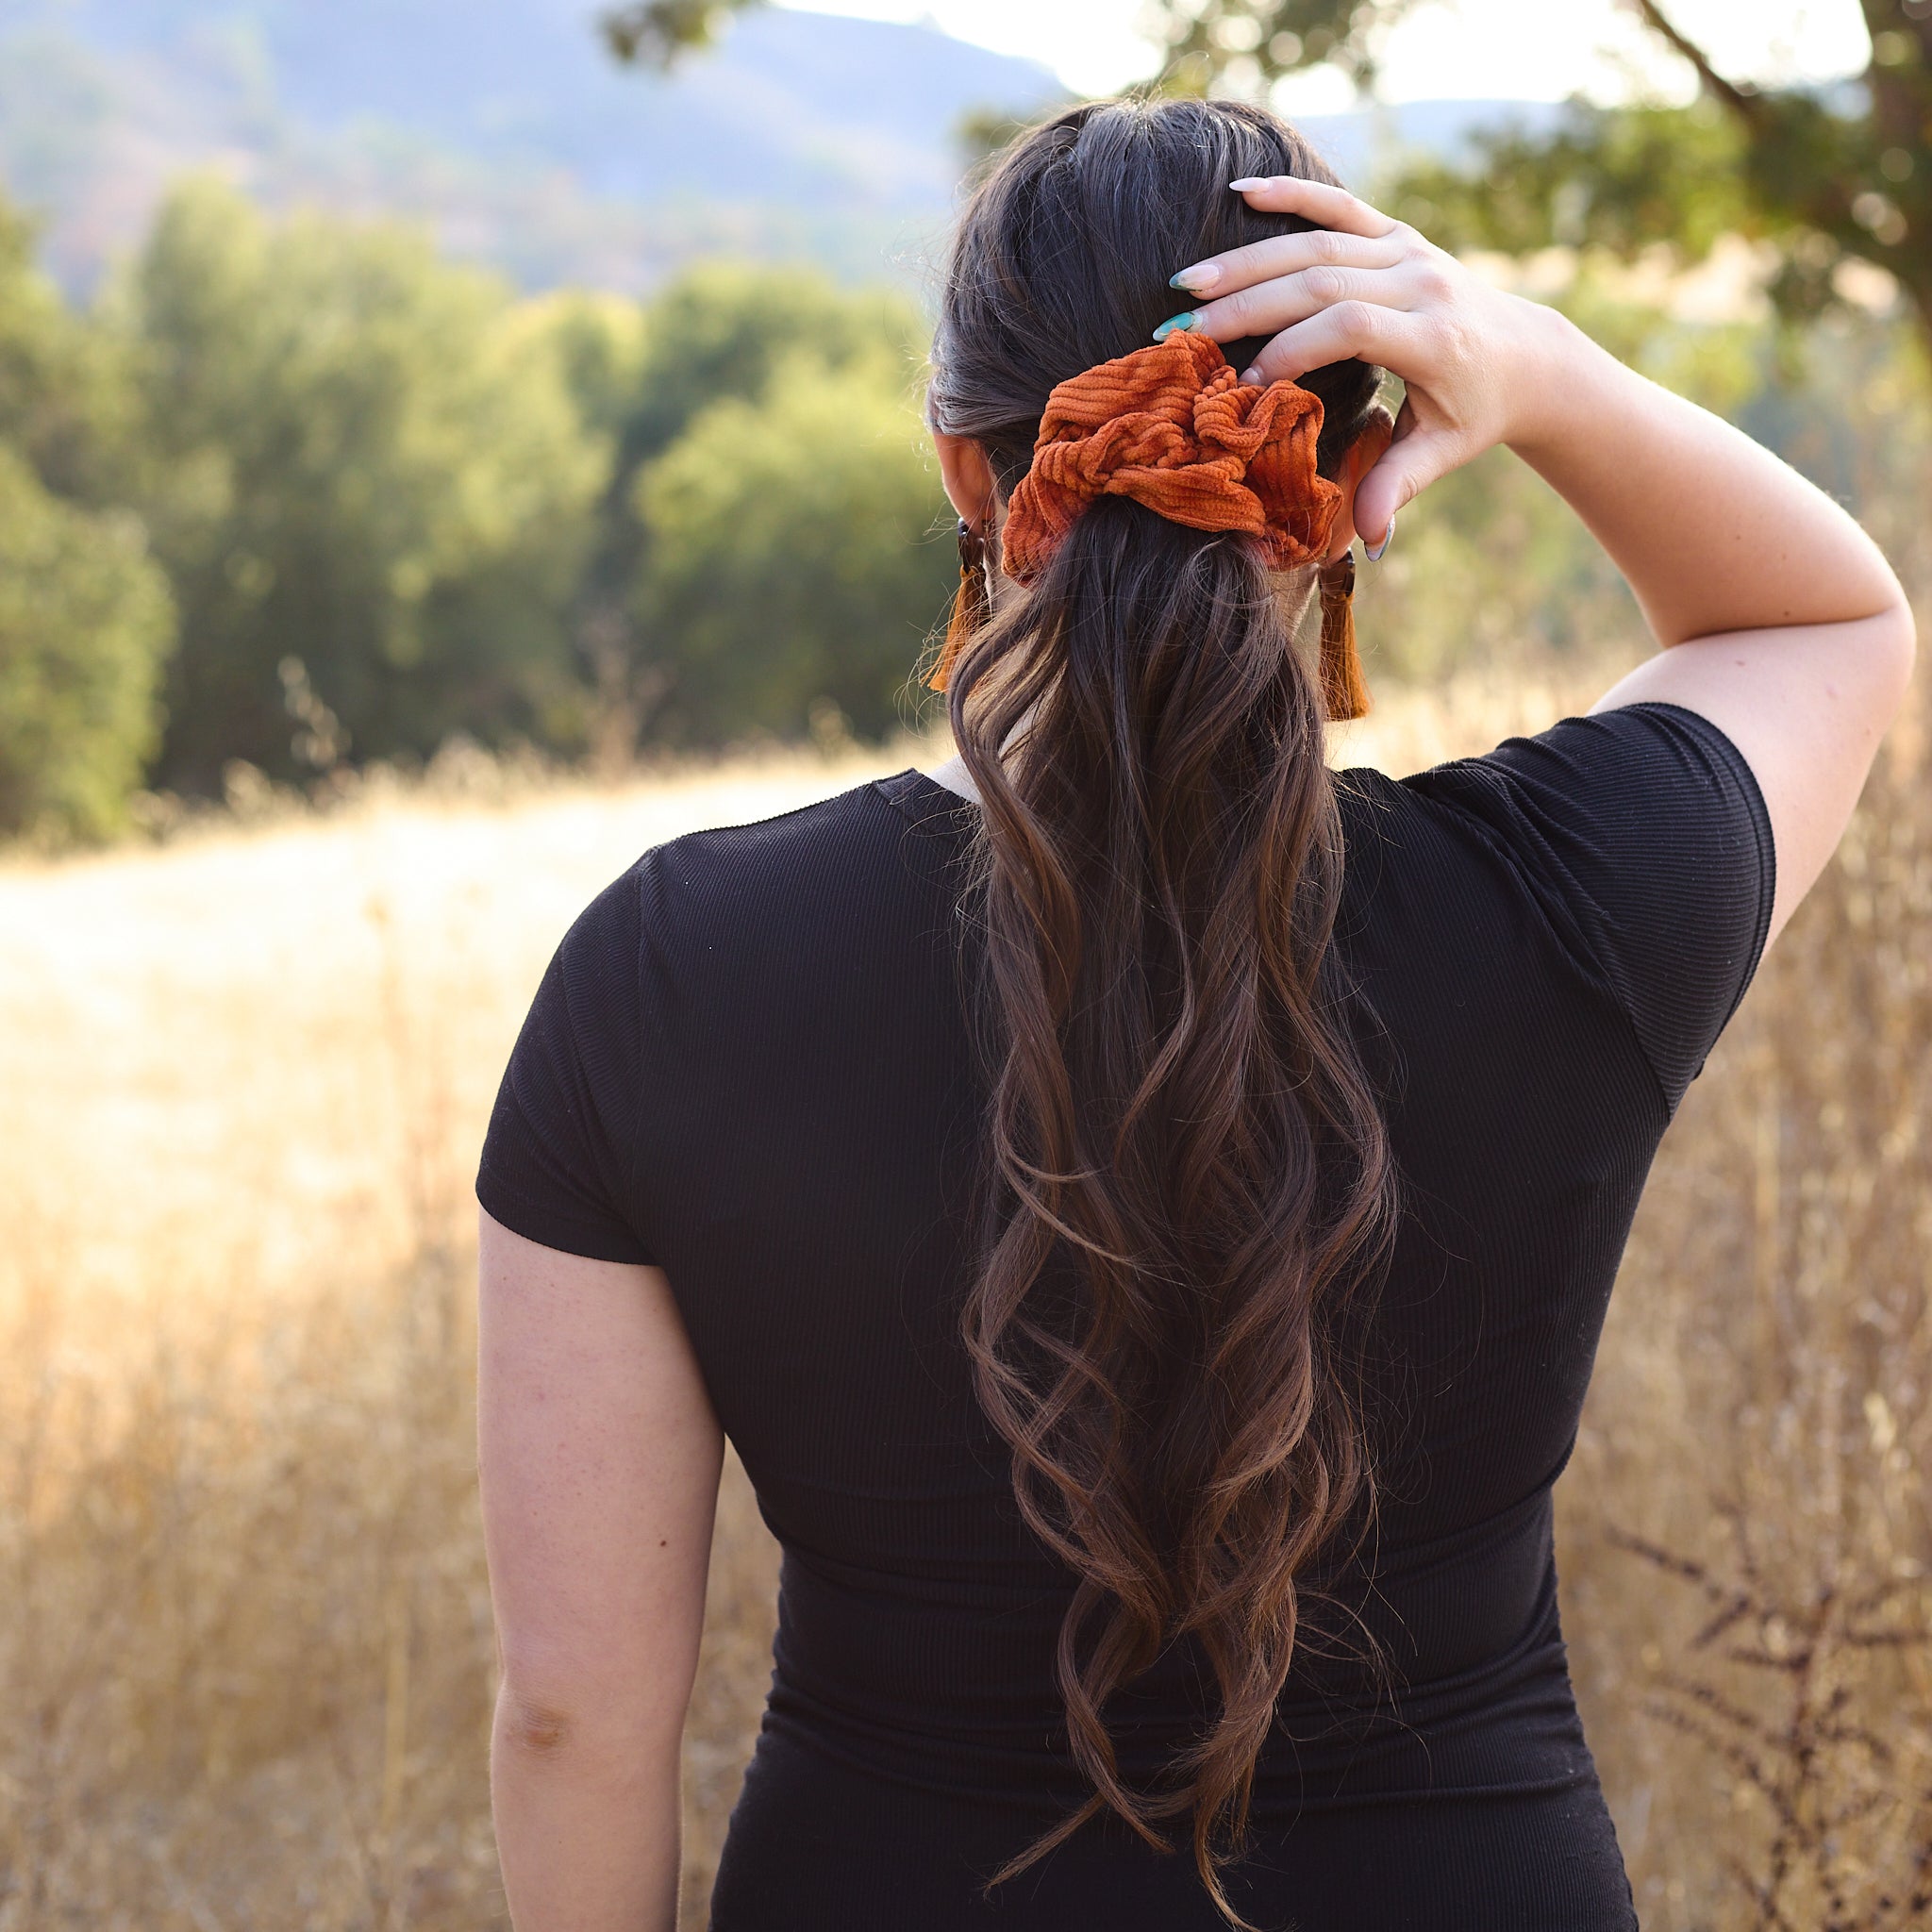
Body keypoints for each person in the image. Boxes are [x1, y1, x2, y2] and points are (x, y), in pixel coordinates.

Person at [473, 98, 1913, 1932]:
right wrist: (1535, 366)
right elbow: (1824, 623)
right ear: (1360, 468)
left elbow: (573, 1712)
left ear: (963, 476)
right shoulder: (1567, 899)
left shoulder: (671, 968)